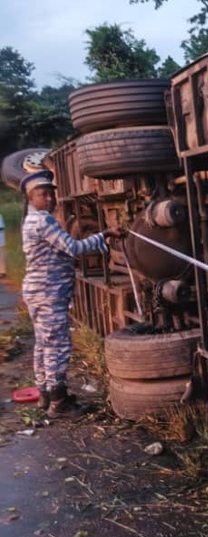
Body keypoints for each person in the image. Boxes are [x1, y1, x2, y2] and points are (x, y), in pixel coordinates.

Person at [20, 170, 122, 418]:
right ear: (30, 199)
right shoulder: (44, 221)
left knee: (44, 343)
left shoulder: (31, 221)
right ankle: (60, 402)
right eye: (42, 195)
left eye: (51, 194)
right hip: (49, 291)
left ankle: (45, 395)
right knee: (57, 344)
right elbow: (73, 247)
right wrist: (105, 235)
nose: (49, 199)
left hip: (37, 290)